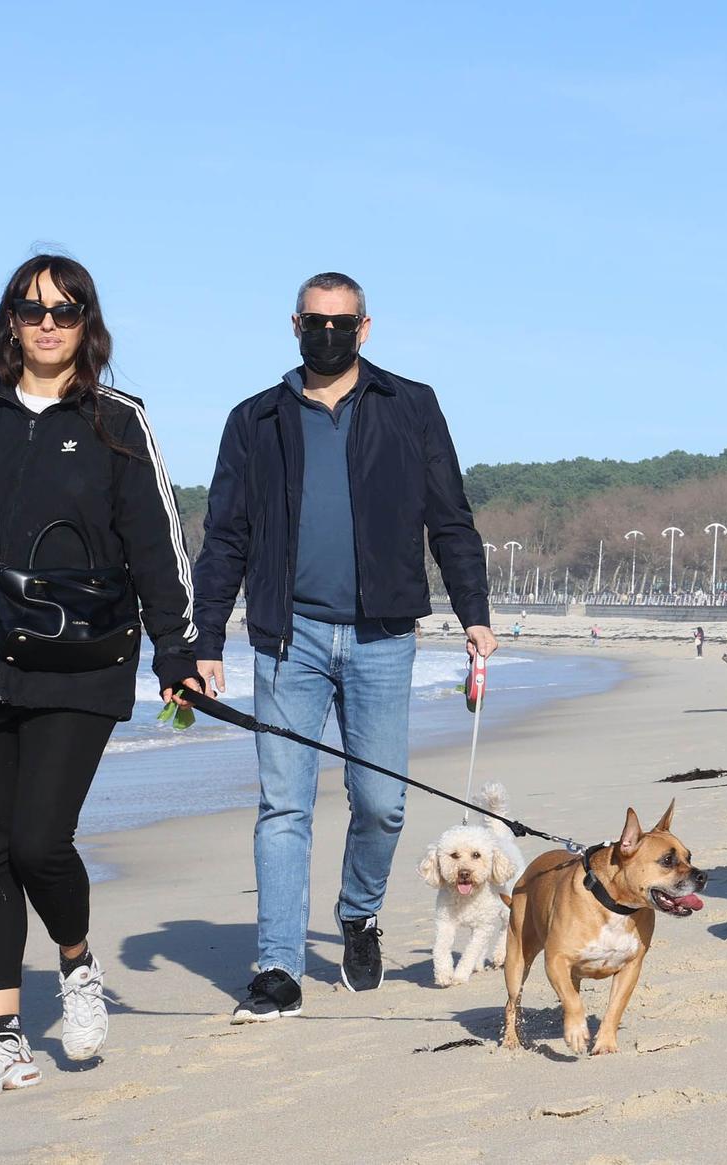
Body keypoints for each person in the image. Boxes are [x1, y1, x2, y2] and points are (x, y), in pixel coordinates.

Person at [0, 255, 199, 1099]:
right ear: (11, 322)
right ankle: (3, 1040)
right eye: (32, 310)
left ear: (85, 323)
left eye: (65, 310)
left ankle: (77, 965)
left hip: (80, 659)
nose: (47, 323)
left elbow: (157, 543)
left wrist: (177, 651)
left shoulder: (117, 420)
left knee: (39, 840)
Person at [192, 272, 495, 1023]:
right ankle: (277, 966)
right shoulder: (254, 419)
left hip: (382, 636)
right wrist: (203, 636)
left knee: (382, 804)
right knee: (283, 807)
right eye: (313, 322)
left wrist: (474, 610)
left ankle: (359, 915)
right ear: (295, 324)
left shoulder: (411, 407)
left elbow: (449, 517)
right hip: (285, 639)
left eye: (341, 322)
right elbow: (225, 533)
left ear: (364, 328)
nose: (326, 333)